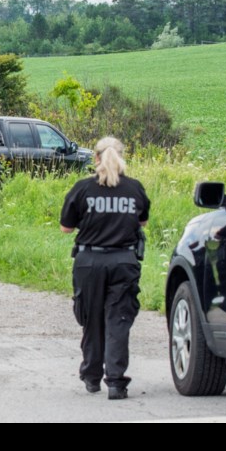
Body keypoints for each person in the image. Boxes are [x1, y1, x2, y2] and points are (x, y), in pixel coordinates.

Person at [60, 137, 150, 400]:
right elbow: (142, 222)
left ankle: (91, 377)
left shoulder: (83, 188)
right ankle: (116, 382)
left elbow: (66, 227)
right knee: (118, 320)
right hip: (124, 261)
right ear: (122, 157)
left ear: (96, 158)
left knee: (91, 319)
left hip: (89, 262)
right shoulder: (135, 189)